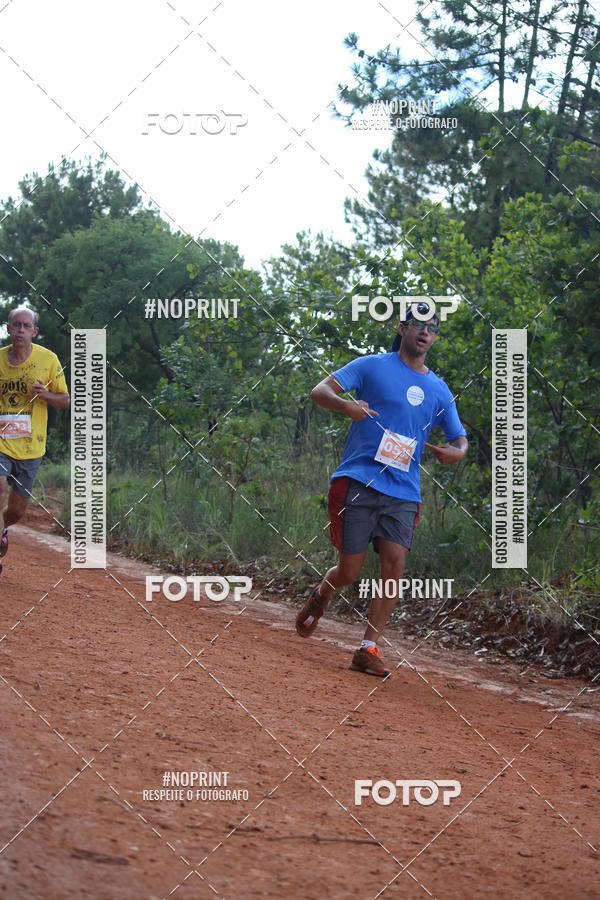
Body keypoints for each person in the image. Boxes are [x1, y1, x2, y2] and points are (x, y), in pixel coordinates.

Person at [295, 303, 468, 676]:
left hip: (404, 491)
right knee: (350, 571)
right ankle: (322, 594)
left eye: (432, 328)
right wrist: (347, 406)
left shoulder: (438, 389)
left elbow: (460, 440)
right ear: (403, 327)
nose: (425, 332)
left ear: (434, 338)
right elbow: (319, 391)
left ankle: (368, 648)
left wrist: (455, 453)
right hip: (359, 480)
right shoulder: (372, 365)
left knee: (394, 564)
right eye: (418, 325)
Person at [0, 306, 70, 572]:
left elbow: (65, 400)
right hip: (1, 441)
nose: (20, 330)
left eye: (26, 326)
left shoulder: (48, 360)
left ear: (34, 332)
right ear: (8, 328)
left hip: (31, 446)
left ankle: (3, 529)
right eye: (16, 325)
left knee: (16, 511)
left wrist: (44, 395)